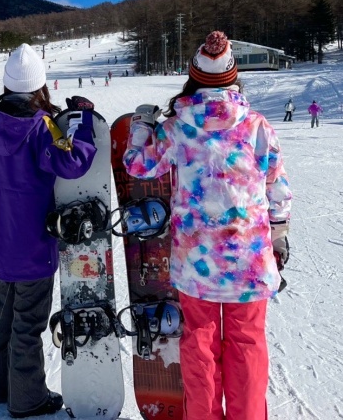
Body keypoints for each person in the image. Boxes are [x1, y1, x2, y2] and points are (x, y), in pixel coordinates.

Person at [124, 31, 292, 420]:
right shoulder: (256, 125)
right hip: (248, 260)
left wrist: (141, 125)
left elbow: (137, 165)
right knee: (247, 344)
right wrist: (279, 235)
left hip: (196, 261)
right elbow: (278, 186)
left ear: (193, 77)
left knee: (198, 345)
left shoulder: (178, 126)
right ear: (234, 77)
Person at [0, 43, 97, 418]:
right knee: (28, 321)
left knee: (4, 312)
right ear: (40, 86)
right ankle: (27, 399)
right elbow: (72, 161)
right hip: (30, 244)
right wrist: (83, 119)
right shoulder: (39, 128)